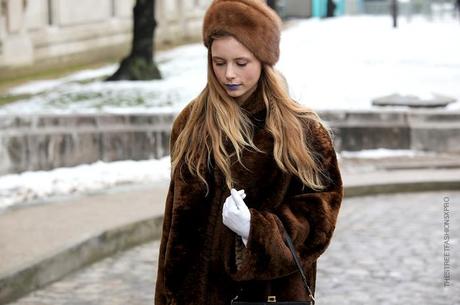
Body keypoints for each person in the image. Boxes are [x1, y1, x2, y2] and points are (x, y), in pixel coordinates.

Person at [154, 1, 343, 304]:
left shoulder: (302, 130)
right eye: (219, 62)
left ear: (264, 59)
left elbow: (318, 219)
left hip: (270, 295)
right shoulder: (191, 123)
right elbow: (174, 230)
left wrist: (255, 230)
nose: (229, 74)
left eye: (241, 63)